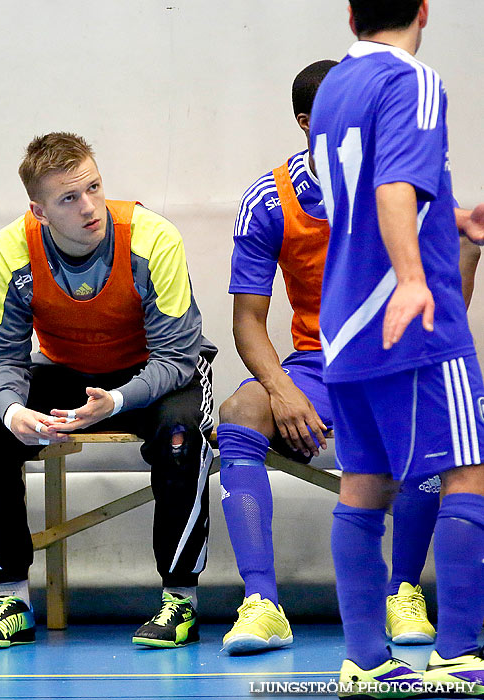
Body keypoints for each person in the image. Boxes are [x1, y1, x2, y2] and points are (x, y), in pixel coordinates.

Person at [219, 58, 482, 656]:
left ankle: (403, 591)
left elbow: (443, 315)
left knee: (432, 428)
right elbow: (248, 323)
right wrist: (282, 390)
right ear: (309, 122)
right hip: (316, 365)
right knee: (240, 411)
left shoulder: (407, 182)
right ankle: (261, 601)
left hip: (396, 359)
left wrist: (467, 251)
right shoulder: (270, 200)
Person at [0, 132, 216, 649]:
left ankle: (179, 601)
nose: (90, 207)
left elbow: (176, 357)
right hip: (70, 371)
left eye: (94, 187)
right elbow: (1, 360)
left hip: (160, 373)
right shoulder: (9, 251)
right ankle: (11, 600)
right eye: (69, 198)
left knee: (181, 438)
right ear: (39, 211)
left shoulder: (152, 237)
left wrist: (117, 401)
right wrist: (12, 412)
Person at [310, 1, 484, 695]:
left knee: (362, 485)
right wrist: (414, 279)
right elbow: (390, 186)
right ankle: (456, 655)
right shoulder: (413, 79)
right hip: (410, 321)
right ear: (422, 10)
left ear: (350, 14)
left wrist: (451, 216)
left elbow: (351, 198)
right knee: (467, 476)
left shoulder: (331, 87)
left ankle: (363, 659)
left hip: (343, 321)